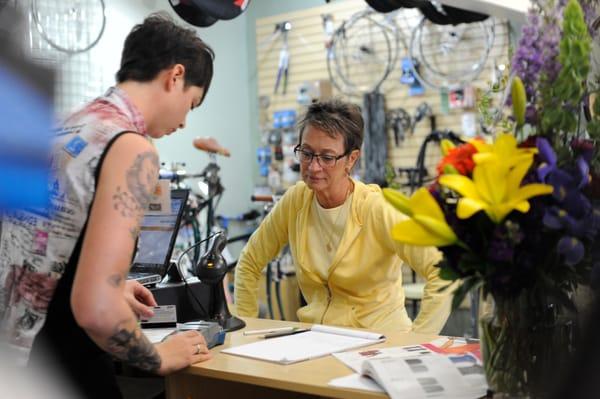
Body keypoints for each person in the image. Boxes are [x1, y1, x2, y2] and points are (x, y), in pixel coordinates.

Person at [0, 13, 214, 398]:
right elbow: (96, 310)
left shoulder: (63, 125)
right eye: (192, 103)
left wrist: (113, 283)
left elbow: (36, 251)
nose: (184, 121)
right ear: (175, 76)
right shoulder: (133, 149)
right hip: (59, 366)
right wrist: (161, 356)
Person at [235, 99, 452, 333]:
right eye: (306, 153)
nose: (313, 167)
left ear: (351, 159)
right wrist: (245, 328)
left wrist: (416, 341)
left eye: (327, 158)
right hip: (318, 341)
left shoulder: (377, 208)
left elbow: (443, 273)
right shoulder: (295, 201)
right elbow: (249, 261)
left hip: (381, 343)